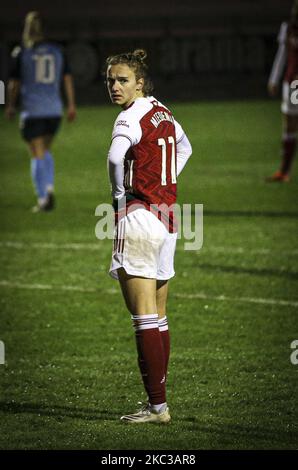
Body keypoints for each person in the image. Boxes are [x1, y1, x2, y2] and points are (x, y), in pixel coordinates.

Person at [105, 49, 192, 423]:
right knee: (158, 315)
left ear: (139, 82)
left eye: (122, 80)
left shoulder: (130, 116)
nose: (114, 86)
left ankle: (158, 407)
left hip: (140, 215)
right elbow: (186, 147)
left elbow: (114, 158)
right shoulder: (163, 111)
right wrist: (166, 180)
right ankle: (159, 402)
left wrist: (119, 199)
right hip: (168, 216)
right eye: (110, 80)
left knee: (142, 317)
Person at [5, 11, 76, 211]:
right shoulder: (57, 51)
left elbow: (13, 84)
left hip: (33, 110)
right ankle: (50, 187)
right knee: (45, 150)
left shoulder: (22, 53)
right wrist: (71, 105)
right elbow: (67, 79)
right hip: (54, 110)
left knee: (36, 153)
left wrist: (10, 106)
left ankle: (43, 197)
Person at [267, 0, 298, 182]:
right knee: (289, 126)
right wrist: (274, 79)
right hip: (292, 83)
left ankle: (284, 171)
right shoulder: (287, 28)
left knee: (291, 125)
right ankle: (284, 171)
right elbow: (281, 55)